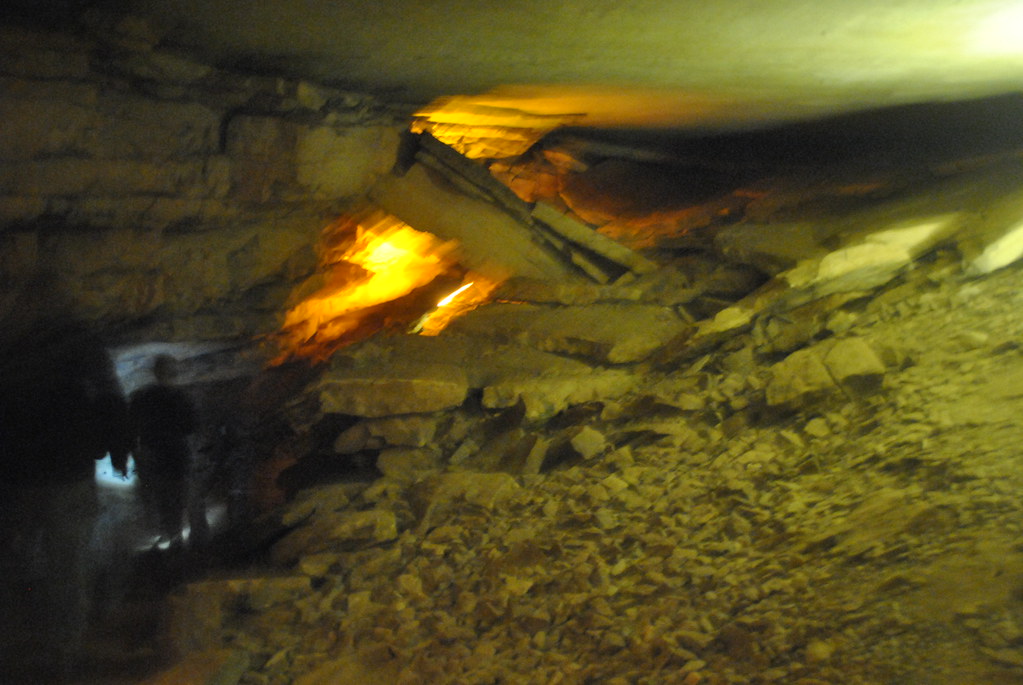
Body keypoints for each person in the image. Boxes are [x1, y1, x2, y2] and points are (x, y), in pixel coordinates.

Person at [0, 275, 131, 681]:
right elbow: (111, 398)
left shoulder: (10, 344)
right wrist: (119, 452)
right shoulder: (80, 343)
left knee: (12, 561)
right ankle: (62, 652)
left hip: (16, 474)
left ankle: (15, 644)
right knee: (68, 565)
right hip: (65, 472)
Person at [128, 354, 199, 549]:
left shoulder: (143, 397)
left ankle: (168, 537)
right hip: (176, 457)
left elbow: (132, 426)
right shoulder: (182, 398)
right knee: (176, 501)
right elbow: (191, 427)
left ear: (155, 373)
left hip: (155, 457)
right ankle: (175, 539)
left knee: (160, 501)